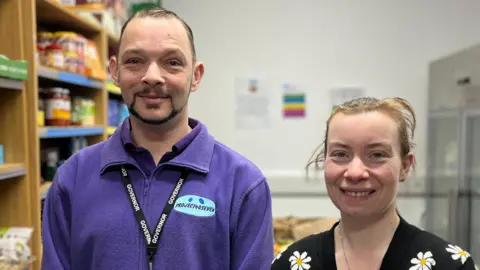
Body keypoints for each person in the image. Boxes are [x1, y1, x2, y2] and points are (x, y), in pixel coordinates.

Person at [41, 6, 274, 270]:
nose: (152, 76)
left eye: (172, 62)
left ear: (195, 76)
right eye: (135, 61)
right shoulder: (72, 178)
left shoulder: (242, 184)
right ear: (115, 71)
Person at [271, 97, 478, 270]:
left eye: (377, 155)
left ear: (405, 166)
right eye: (340, 154)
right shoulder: (293, 264)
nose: (355, 172)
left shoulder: (450, 266)